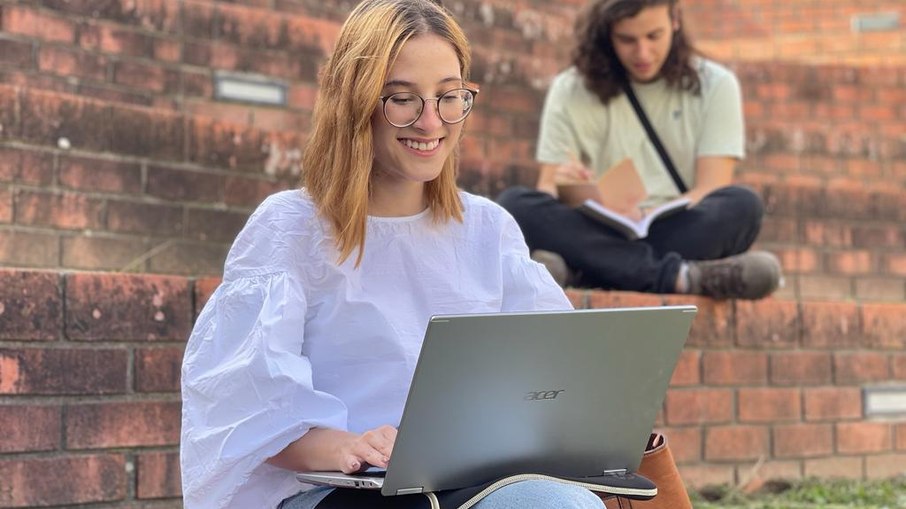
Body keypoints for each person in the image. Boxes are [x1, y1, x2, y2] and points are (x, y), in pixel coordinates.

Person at [179, 1, 607, 508]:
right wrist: (348, 446)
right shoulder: (290, 227)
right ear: (355, 102)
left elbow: (554, 374)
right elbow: (244, 406)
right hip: (327, 488)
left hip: (465, 481)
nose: (431, 122)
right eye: (401, 99)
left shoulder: (488, 229)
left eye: (449, 96)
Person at [497, 0, 782, 300]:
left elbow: (711, 187)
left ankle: (585, 273)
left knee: (743, 206)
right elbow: (548, 187)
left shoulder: (715, 85)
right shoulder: (570, 88)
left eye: (654, 36)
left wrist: (645, 214)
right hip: (596, 228)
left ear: (675, 20)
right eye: (627, 40)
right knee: (515, 206)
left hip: (673, 229)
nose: (643, 53)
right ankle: (678, 277)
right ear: (607, 32)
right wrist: (576, 187)